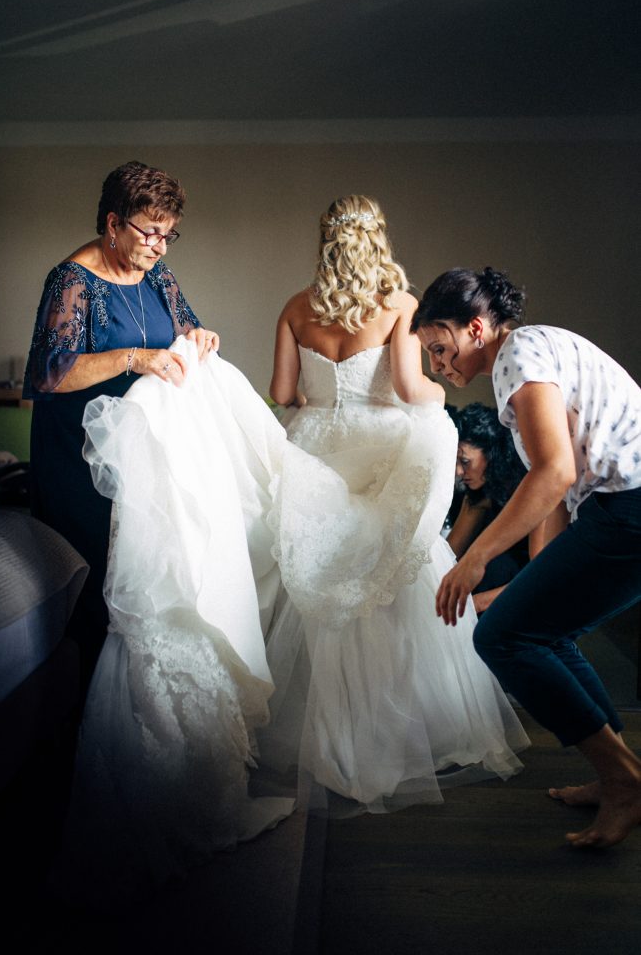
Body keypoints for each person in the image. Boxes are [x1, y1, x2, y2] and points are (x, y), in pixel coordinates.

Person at [260, 197, 530, 811]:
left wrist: (320, 401)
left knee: (315, 572)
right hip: (380, 450)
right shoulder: (399, 306)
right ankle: (396, 730)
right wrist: (440, 391)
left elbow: (281, 394)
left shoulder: (297, 308)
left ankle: (323, 736)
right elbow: (413, 390)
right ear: (378, 240)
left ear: (325, 242)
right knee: (393, 570)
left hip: (316, 451)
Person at [412, 265, 641, 847]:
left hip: (630, 509)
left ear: (478, 327)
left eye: (441, 348)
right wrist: (538, 576)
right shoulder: (534, 350)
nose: (439, 365)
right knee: (545, 630)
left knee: (502, 638)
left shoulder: (520, 356)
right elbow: (559, 486)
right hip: (618, 510)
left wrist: (474, 560)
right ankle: (616, 770)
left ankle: (625, 781)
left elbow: (553, 472)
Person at [23, 160, 219, 681]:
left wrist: (200, 339)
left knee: (144, 573)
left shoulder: (158, 276)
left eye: (168, 234)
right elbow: (48, 375)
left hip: (137, 452)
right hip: (78, 458)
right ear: (112, 224)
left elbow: (187, 330)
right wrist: (132, 358)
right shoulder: (71, 280)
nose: (159, 245)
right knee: (97, 583)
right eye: (150, 232)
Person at [447, 402, 530, 614]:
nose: (458, 471)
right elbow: (451, 551)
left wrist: (473, 605)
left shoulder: (527, 488)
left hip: (521, 587)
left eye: (465, 461)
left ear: (492, 453)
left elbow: (541, 576)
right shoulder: (479, 490)